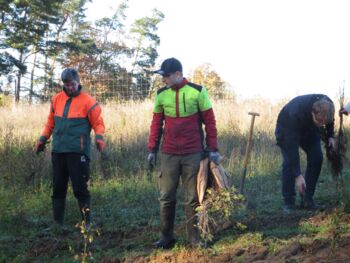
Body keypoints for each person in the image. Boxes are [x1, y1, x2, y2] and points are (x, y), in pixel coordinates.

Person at [147, 57, 220, 248]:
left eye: (167, 76)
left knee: (193, 198)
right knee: (166, 197)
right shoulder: (161, 94)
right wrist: (152, 150)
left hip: (193, 153)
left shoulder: (198, 91)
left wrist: (212, 149)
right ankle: (166, 237)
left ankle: (194, 238)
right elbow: (156, 124)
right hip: (169, 153)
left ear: (178, 74)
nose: (164, 80)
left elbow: (210, 122)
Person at [35, 68, 106, 227]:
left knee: (80, 188)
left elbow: (98, 123)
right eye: (67, 85)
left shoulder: (89, 102)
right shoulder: (56, 100)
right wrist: (42, 138)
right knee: (58, 187)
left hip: (78, 151)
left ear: (78, 82)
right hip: (58, 150)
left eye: (72, 84)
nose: (70, 87)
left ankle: (86, 223)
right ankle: (58, 223)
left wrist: (100, 138)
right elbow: (50, 123)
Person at [275, 94, 335, 214]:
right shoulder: (294, 113)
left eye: (322, 123)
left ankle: (307, 199)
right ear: (313, 112)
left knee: (317, 157)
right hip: (287, 129)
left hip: (309, 130)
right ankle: (289, 202)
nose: (320, 124)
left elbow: (329, 121)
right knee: (289, 163)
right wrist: (298, 175)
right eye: (318, 121)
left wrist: (330, 136)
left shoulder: (328, 104)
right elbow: (291, 149)